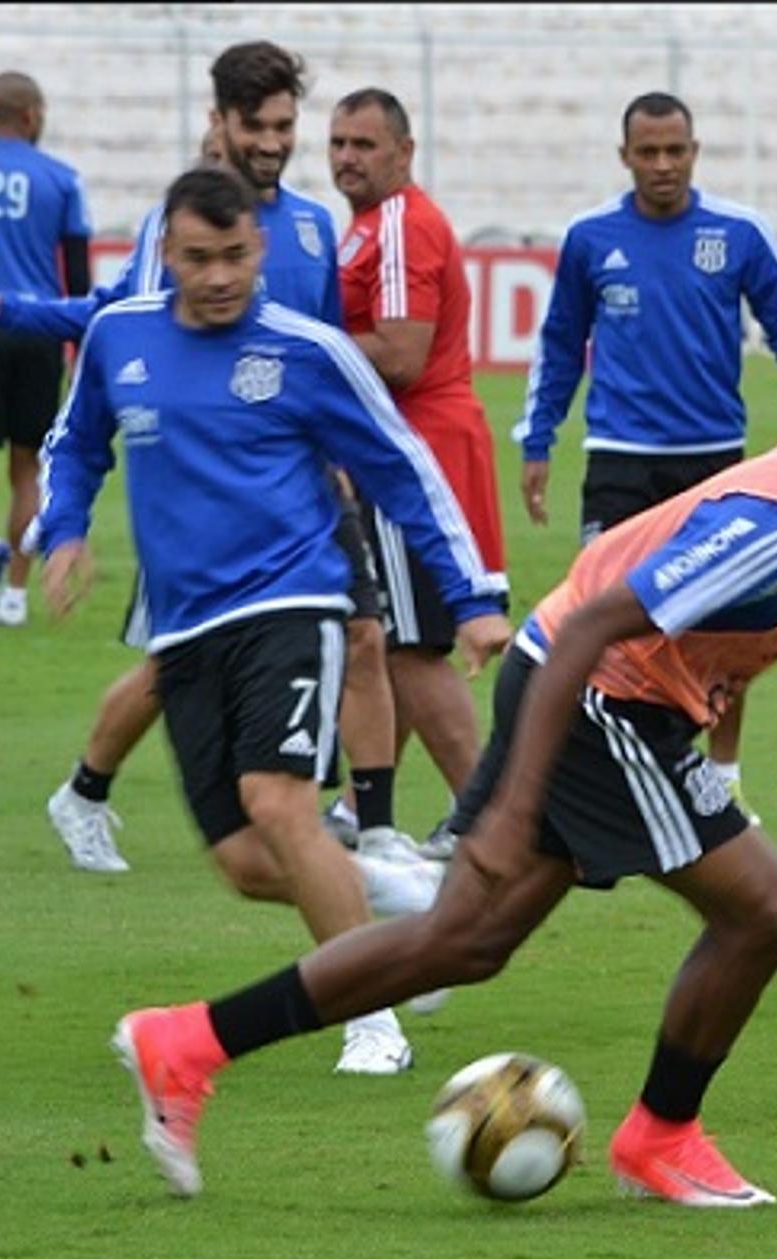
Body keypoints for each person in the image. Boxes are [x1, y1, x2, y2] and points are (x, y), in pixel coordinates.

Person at [109, 326, 777, 1205]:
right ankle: (663, 1136)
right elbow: (590, 626)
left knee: (463, 941)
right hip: (596, 696)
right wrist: (509, 810)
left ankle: (186, 1041)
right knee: (768, 909)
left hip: (613, 695)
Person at [37, 169, 509, 1078]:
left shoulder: (308, 351)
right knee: (247, 861)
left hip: (292, 603)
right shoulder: (117, 337)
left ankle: (373, 1022)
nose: (219, 277)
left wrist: (476, 599)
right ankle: (391, 898)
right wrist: (60, 531)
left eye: (236, 257)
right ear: (164, 253)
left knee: (279, 803)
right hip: (182, 629)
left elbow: (404, 469)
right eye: (197, 258)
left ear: (262, 248)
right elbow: (76, 444)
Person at [0, 43, 414, 876]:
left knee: (365, 637)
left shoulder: (313, 226)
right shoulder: (180, 226)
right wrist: (20, 311)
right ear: (219, 123)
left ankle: (377, 833)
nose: (274, 142)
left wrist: (338, 449)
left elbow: (322, 354)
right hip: (200, 490)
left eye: (285, 125)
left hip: (303, 493)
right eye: (256, 126)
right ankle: (86, 789)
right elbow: (119, 316)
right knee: (178, 666)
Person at [512, 90, 777, 824]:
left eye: (675, 150)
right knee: (595, 616)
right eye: (648, 152)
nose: (663, 164)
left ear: (695, 152)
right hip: (619, 460)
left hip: (715, 463)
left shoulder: (738, 232)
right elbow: (560, 344)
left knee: (723, 626)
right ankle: (580, 773)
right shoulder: (590, 238)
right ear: (626, 157)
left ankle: (724, 774)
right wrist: (539, 437)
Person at [330, 87, 509, 840]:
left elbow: (401, 353)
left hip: (413, 450)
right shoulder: (370, 226)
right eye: (338, 143)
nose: (347, 158)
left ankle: (489, 816)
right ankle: (352, 809)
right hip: (412, 446)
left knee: (408, 645)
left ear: (404, 152)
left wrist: (311, 348)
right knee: (394, 633)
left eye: (364, 145)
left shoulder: (400, 225)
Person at [0, 71, 92, 628]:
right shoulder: (61, 178)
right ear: (32, 115)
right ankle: (13, 596)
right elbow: (79, 273)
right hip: (38, 331)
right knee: (27, 471)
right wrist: (81, 344)